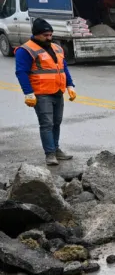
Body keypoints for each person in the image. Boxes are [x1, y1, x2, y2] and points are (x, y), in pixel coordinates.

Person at [16, 18, 76, 166]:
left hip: (57, 91)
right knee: (47, 123)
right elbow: (21, 72)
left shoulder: (57, 48)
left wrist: (70, 85)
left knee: (57, 122)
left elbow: (63, 68)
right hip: (41, 93)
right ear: (36, 34)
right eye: (45, 35)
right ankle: (50, 154)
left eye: (50, 35)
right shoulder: (26, 50)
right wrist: (28, 93)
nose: (49, 38)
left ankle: (56, 149)